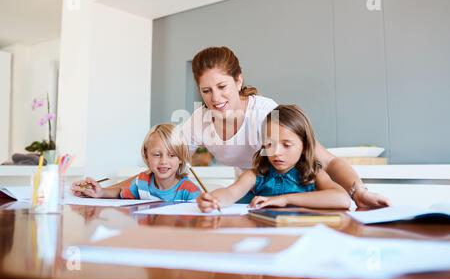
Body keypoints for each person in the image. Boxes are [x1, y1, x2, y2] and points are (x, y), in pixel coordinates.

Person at [180, 46, 390, 209]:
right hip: (253, 193)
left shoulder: (265, 113)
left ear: (238, 81)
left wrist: (359, 192)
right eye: (206, 90)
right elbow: (173, 158)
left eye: (222, 86)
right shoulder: (200, 120)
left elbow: (329, 161)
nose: (215, 98)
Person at [197, 105, 351, 212]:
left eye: (286, 145)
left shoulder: (313, 174)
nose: (276, 152)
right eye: (269, 144)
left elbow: (342, 199)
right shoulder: (255, 175)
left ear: (304, 146)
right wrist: (213, 199)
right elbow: (230, 194)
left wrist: (285, 200)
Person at [71, 124, 200, 201]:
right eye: (156, 154)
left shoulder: (189, 190)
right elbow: (119, 193)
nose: (164, 161)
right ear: (146, 155)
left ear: (181, 158)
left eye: (172, 155)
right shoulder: (142, 182)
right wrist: (100, 192)